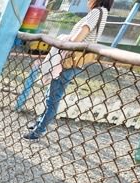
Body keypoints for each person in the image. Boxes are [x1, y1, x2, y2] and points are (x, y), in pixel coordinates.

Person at [23, 0, 112, 140]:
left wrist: (64, 39)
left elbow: (78, 38)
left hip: (69, 60)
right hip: (76, 61)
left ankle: (39, 131)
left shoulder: (96, 12)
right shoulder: (104, 13)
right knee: (52, 95)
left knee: (52, 98)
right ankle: (40, 124)